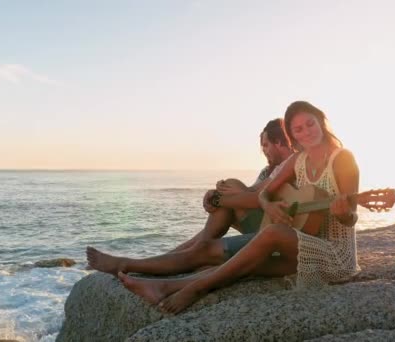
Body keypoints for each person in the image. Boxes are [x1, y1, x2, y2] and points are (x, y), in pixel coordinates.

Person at [117, 100, 361, 314]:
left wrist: (344, 214)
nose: (306, 132)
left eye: (310, 123)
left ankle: (196, 289)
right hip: (300, 244)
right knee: (244, 265)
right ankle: (162, 287)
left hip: (334, 254)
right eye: (298, 129)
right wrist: (271, 206)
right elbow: (264, 193)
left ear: (320, 121)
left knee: (271, 234)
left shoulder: (342, 159)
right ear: (293, 136)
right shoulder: (298, 160)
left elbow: (351, 217)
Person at [86, 119, 294, 276]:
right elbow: (250, 192)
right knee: (214, 218)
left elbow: (253, 198)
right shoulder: (269, 171)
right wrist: (217, 195)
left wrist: (218, 199)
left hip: (275, 230)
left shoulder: (290, 166)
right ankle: (169, 260)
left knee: (227, 192)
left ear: (279, 142)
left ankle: (163, 262)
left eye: (265, 145)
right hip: (263, 224)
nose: (263, 151)